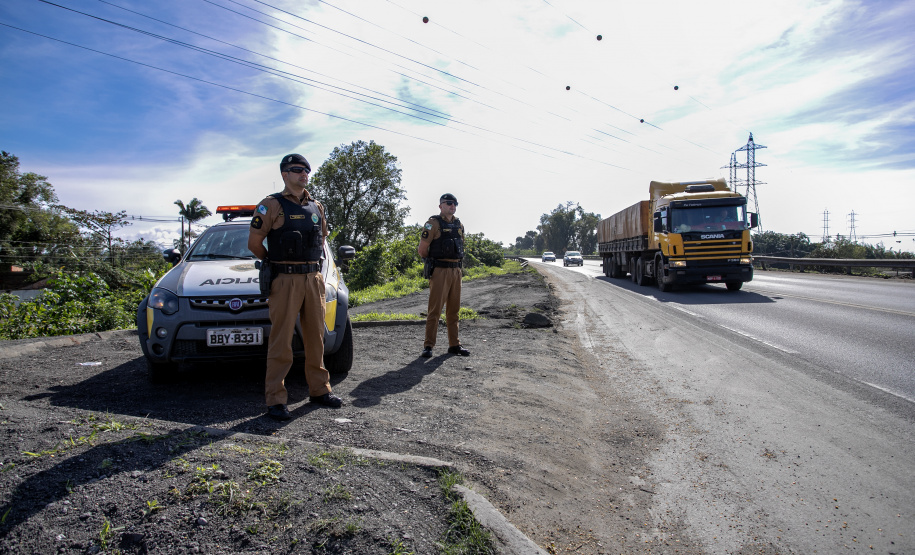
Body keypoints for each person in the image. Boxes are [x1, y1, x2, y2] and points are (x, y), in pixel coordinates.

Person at [247, 153, 343, 421]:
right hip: (284, 279)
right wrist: (274, 263)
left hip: (313, 278)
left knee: (316, 338)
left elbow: (321, 239)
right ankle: (276, 400)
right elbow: (254, 244)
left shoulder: (317, 207)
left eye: (306, 170)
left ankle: (319, 390)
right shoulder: (271, 205)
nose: (303, 174)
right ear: (284, 174)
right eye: (297, 170)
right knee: (281, 341)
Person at [418, 193, 470, 358]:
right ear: (441, 206)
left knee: (454, 310)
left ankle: (454, 344)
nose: (452, 206)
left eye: (454, 203)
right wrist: (433, 262)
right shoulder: (432, 224)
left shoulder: (459, 224)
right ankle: (428, 346)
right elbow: (422, 249)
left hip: (456, 271)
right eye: (448, 203)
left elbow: (461, 246)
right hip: (440, 270)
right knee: (435, 310)